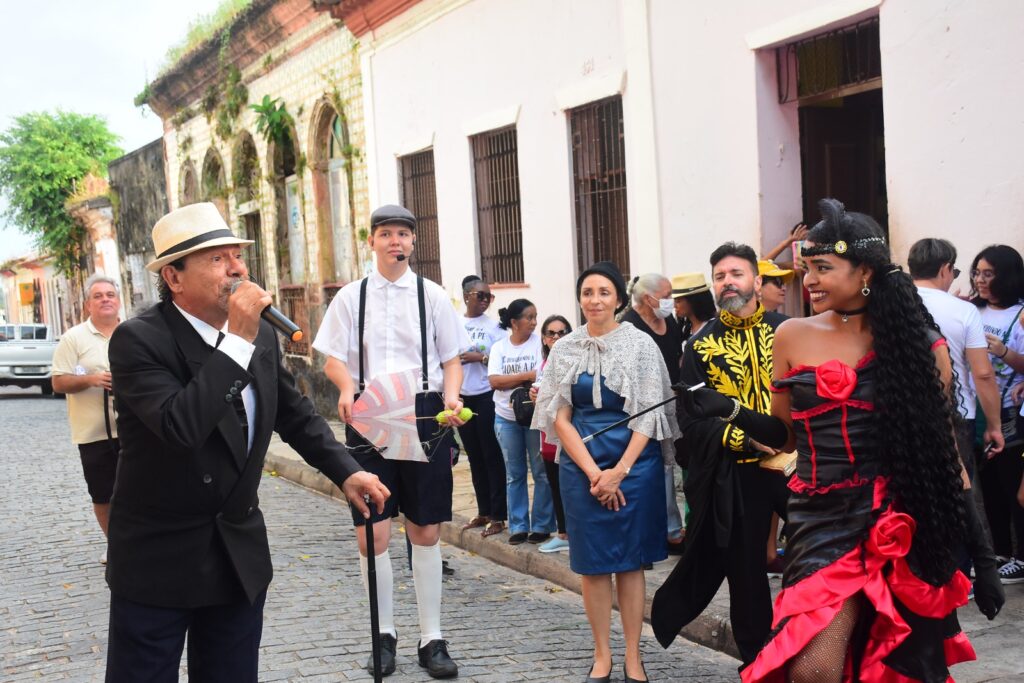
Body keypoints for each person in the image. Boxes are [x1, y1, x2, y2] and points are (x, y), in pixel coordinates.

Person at [700, 198, 1006, 682]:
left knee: (894, 666)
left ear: (864, 270)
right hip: (819, 522)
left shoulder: (917, 344)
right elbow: (784, 437)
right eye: (806, 268)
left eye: (823, 267)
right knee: (814, 668)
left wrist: (983, 561)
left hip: (901, 523)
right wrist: (732, 411)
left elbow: (948, 458)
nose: (810, 280)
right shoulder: (792, 336)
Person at [104, 202, 388, 682]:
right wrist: (236, 339)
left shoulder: (257, 338)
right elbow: (181, 427)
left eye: (237, 256)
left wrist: (346, 470)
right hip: (159, 560)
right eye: (217, 259)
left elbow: (293, 413)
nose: (236, 269)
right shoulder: (139, 341)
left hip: (236, 554)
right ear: (173, 277)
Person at [313, 204, 467, 679]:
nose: (394, 241)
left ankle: (431, 637)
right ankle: (383, 635)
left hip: (423, 412)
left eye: (403, 233)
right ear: (372, 241)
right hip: (367, 412)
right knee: (373, 532)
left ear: (413, 241)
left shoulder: (434, 295)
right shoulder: (350, 297)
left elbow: (452, 359)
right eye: (385, 234)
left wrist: (454, 398)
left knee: (424, 528)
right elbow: (332, 357)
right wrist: (343, 387)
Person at [533, 261, 677, 683]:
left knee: (630, 564)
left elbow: (651, 417)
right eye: (587, 293)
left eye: (603, 292)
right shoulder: (565, 348)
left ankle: (634, 655)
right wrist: (597, 473)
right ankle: (602, 654)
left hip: (635, 464)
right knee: (593, 565)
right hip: (582, 466)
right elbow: (560, 418)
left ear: (618, 298)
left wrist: (619, 472)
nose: (594, 300)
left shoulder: (641, 345)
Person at [651, 242, 790, 666]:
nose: (728, 282)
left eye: (736, 273)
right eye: (720, 276)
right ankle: (758, 663)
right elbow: (691, 419)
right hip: (739, 473)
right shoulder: (699, 346)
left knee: (823, 557)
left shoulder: (788, 331)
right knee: (746, 575)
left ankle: (818, 648)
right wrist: (742, 440)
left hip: (799, 468)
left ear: (757, 281)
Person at [910, 238, 1005, 484]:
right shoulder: (964, 311)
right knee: (956, 490)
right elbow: (982, 374)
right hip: (956, 414)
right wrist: (994, 426)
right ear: (945, 269)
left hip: (904, 412)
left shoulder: (891, 304)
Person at [51, 274, 123, 564]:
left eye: (110, 294)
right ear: (88, 305)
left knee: (140, 490)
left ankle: (140, 543)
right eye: (98, 296)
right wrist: (93, 379)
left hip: (136, 429)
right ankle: (115, 545)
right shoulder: (74, 338)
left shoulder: (134, 332)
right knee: (103, 493)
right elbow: (58, 382)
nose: (105, 299)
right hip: (93, 433)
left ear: (118, 301)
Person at [968, 244, 1024, 585]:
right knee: (986, 485)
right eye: (977, 272)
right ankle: (1001, 551)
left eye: (989, 273)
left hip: (1009, 412)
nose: (981, 280)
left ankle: (1020, 556)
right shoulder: (971, 310)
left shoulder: (1020, 314)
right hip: (975, 410)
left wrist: (1002, 350)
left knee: (1011, 483)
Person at [621, 273, 685, 555]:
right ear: (649, 298)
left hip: (671, 404)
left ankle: (671, 529)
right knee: (646, 468)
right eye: (668, 295)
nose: (672, 301)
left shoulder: (668, 321)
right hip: (642, 408)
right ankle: (649, 533)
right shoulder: (628, 326)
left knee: (669, 466)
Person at [488, 299, 555, 545]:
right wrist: (528, 376)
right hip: (506, 418)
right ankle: (518, 525)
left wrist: (512, 379)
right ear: (514, 322)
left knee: (541, 472)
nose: (534, 322)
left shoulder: (540, 345)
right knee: (514, 473)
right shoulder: (499, 348)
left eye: (536, 316)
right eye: (529, 317)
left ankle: (542, 525)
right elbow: (494, 382)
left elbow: (546, 374)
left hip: (535, 418)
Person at [456, 275, 507, 538]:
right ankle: (484, 510)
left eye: (489, 296)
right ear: (466, 296)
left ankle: (499, 515)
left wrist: (481, 357)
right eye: (481, 296)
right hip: (462, 396)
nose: (486, 301)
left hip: (487, 395)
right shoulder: (454, 323)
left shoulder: (495, 327)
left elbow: (502, 359)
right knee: (474, 456)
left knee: (492, 455)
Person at [532, 314, 573, 553]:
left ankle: (568, 532)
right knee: (554, 482)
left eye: (562, 332)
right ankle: (563, 532)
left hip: (564, 429)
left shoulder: (572, 360)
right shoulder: (544, 362)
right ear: (545, 338)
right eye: (551, 333)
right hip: (546, 432)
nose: (556, 337)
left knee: (566, 482)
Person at [671, 272, 716, 345]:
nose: (674, 305)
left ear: (693, 301)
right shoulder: (685, 328)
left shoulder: (715, 327)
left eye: (678, 301)